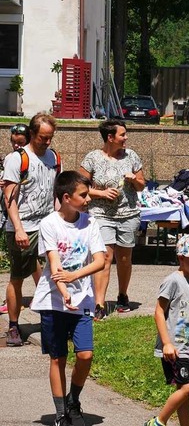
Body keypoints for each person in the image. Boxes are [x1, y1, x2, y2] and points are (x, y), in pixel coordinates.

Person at [30, 171, 106, 426]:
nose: (88, 199)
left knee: (85, 355)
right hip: (53, 300)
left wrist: (74, 277)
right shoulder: (49, 224)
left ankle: (74, 400)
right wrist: (64, 292)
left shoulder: (90, 223)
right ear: (66, 197)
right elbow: (53, 263)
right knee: (58, 358)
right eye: (83, 195)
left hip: (82, 299)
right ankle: (62, 412)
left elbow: (100, 260)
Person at [79, 119, 146, 320]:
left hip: (128, 214)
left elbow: (142, 185)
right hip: (101, 214)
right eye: (122, 134)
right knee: (105, 257)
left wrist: (134, 180)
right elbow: (81, 188)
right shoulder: (92, 158)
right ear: (110, 137)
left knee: (124, 258)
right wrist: (100, 193)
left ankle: (123, 295)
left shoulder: (131, 156)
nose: (126, 138)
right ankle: (99, 303)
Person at [2, 113, 59, 346]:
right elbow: (9, 199)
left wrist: (59, 220)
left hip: (46, 225)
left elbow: (55, 192)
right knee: (17, 276)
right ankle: (13, 326)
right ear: (32, 134)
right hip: (23, 225)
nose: (47, 142)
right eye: (43, 138)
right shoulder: (18, 159)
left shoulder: (54, 157)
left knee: (50, 273)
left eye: (50, 138)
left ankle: (52, 320)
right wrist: (18, 229)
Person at [145, 234, 189, 426]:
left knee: (185, 393)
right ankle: (158, 422)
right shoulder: (173, 281)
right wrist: (166, 343)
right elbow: (158, 312)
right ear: (181, 258)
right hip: (174, 349)